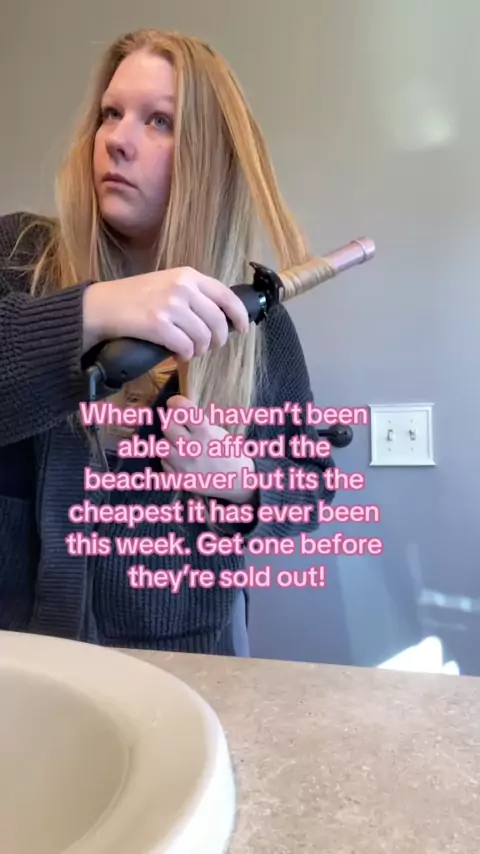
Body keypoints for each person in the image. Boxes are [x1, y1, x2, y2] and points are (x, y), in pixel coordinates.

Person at [0, 28, 335, 655]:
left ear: (209, 157)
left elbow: (311, 484)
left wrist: (239, 479)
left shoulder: (253, 323)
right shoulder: (18, 257)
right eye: (111, 113)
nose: (117, 140)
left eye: (159, 121)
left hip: (186, 667)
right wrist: (94, 309)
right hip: (23, 662)